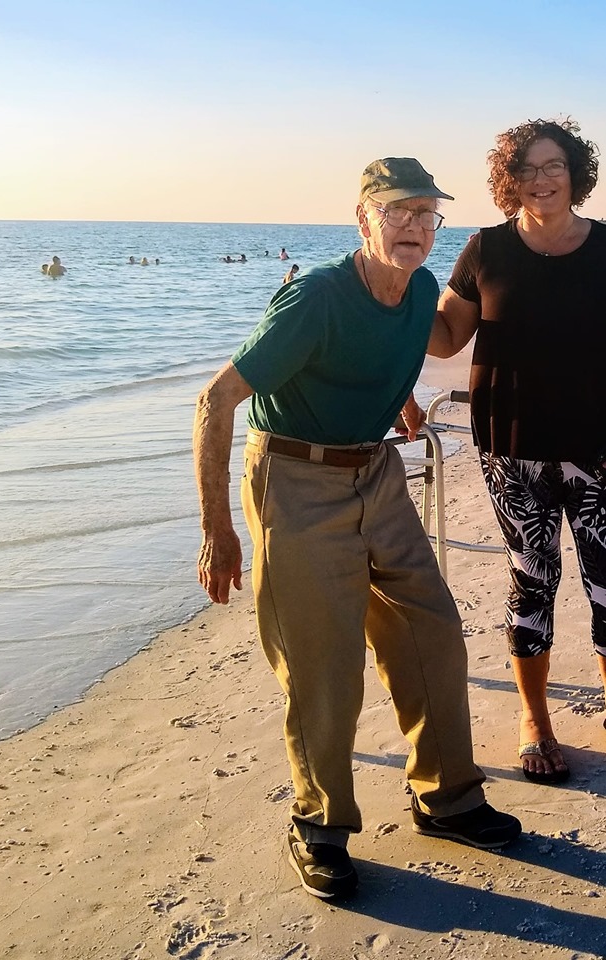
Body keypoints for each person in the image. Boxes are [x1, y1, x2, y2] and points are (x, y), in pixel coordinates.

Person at [193, 156, 522, 901]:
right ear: (363, 219)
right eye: (397, 212)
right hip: (295, 480)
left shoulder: (420, 287)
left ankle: (447, 797)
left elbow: (409, 342)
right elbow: (215, 400)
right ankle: (317, 825)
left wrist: (401, 398)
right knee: (324, 664)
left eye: (426, 215)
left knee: (430, 628)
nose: (413, 226)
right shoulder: (315, 295)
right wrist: (218, 530)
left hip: (374, 471)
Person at [427, 118, 606, 785]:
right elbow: (445, 337)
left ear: (575, 172)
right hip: (513, 449)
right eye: (526, 169)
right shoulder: (486, 249)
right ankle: (534, 718)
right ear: (510, 181)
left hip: (599, 450)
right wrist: (391, 288)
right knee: (531, 581)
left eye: (553, 165)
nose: (540, 180)